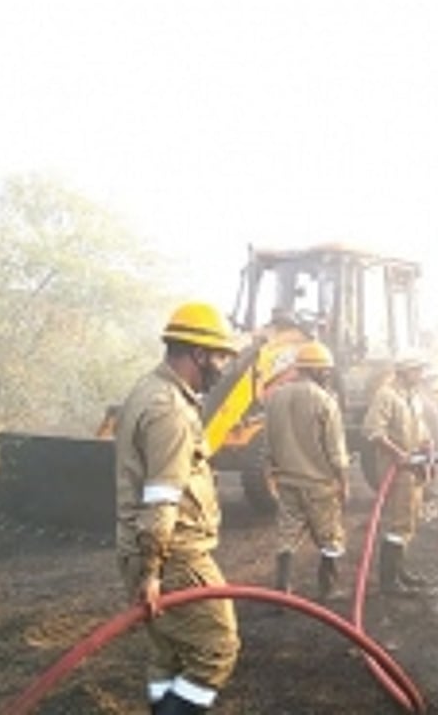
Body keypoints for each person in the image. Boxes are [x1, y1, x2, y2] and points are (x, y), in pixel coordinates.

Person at [114, 301, 241, 714]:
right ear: (199, 354)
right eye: (221, 355)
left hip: (145, 548)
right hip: (175, 555)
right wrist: (153, 572)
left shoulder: (150, 390)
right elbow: (161, 500)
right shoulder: (170, 410)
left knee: (167, 652)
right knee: (216, 649)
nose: (224, 366)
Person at [263, 340, 351, 602]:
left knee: (287, 537)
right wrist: (344, 483)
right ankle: (328, 589)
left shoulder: (275, 397)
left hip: (287, 481)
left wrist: (270, 475)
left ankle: (282, 588)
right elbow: (336, 452)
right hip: (320, 485)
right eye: (326, 371)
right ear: (320, 371)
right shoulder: (325, 401)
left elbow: (268, 444)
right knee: (330, 538)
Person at [362, 352, 433, 596]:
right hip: (397, 470)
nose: (421, 374)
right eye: (417, 370)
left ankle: (400, 572)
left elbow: (420, 430)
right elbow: (373, 431)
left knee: (409, 520)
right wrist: (398, 454)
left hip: (413, 467)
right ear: (404, 371)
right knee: (397, 523)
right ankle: (388, 582)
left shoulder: (414, 397)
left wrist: (426, 447)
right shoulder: (386, 396)